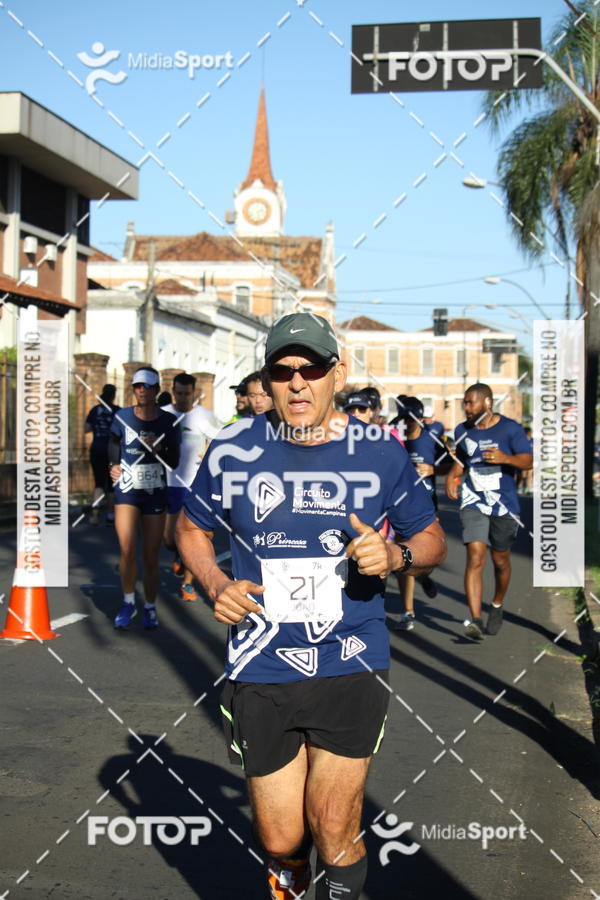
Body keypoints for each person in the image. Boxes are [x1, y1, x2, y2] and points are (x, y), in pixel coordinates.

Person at [176, 312, 446, 900]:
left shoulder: (379, 452)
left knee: (334, 826)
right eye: (282, 370)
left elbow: (430, 541)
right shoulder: (232, 448)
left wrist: (395, 557)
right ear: (267, 380)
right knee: (279, 839)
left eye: (312, 369)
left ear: (337, 374)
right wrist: (215, 582)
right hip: (261, 664)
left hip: (351, 657)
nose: (297, 383)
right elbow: (191, 529)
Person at [445, 383, 532, 641]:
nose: (467, 408)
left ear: (488, 403)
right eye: (465, 403)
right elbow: (461, 458)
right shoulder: (463, 430)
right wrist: (452, 475)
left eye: (471, 403)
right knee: (475, 555)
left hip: (503, 504)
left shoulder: (510, 429)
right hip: (473, 499)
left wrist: (505, 458)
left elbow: (527, 460)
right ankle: (474, 620)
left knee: (500, 560)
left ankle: (496, 604)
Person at [109, 366, 181, 630]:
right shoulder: (122, 416)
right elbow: (113, 444)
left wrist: (160, 448)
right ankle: (128, 602)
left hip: (154, 492)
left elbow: (174, 462)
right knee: (126, 550)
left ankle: (149, 606)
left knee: (150, 555)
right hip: (127, 490)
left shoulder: (168, 423)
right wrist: (112, 465)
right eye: (137, 386)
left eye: (146, 386)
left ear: (156, 390)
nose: (141, 391)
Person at [162, 373, 219, 602]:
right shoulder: (164, 413)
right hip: (168, 483)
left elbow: (223, 440)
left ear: (193, 393)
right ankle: (178, 552)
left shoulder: (204, 416)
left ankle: (187, 584)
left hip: (195, 485)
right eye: (179, 393)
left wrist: (209, 452)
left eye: (187, 394)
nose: (183, 398)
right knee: (168, 539)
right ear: (173, 391)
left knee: (196, 535)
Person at [389, 396, 438, 630]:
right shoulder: (395, 441)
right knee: (404, 553)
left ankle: (424, 574)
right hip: (402, 505)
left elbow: (456, 463)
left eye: (411, 420)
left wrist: (434, 468)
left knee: (422, 554)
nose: (407, 425)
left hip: (427, 505)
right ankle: (408, 610)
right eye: (403, 421)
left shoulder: (432, 438)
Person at [85, 384, 120, 525]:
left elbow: (86, 429)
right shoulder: (118, 411)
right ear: (114, 395)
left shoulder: (95, 410)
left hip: (97, 448)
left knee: (99, 483)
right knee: (112, 483)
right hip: (113, 450)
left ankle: (94, 514)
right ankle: (111, 515)